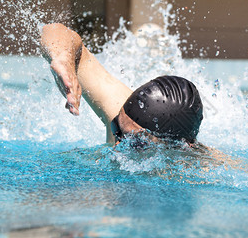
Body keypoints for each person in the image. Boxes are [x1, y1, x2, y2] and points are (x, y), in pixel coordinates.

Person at [40, 23, 203, 146]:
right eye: (116, 128)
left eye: (136, 143)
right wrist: (63, 59)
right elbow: (54, 31)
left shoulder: (207, 171)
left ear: (179, 147)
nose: (118, 145)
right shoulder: (122, 113)